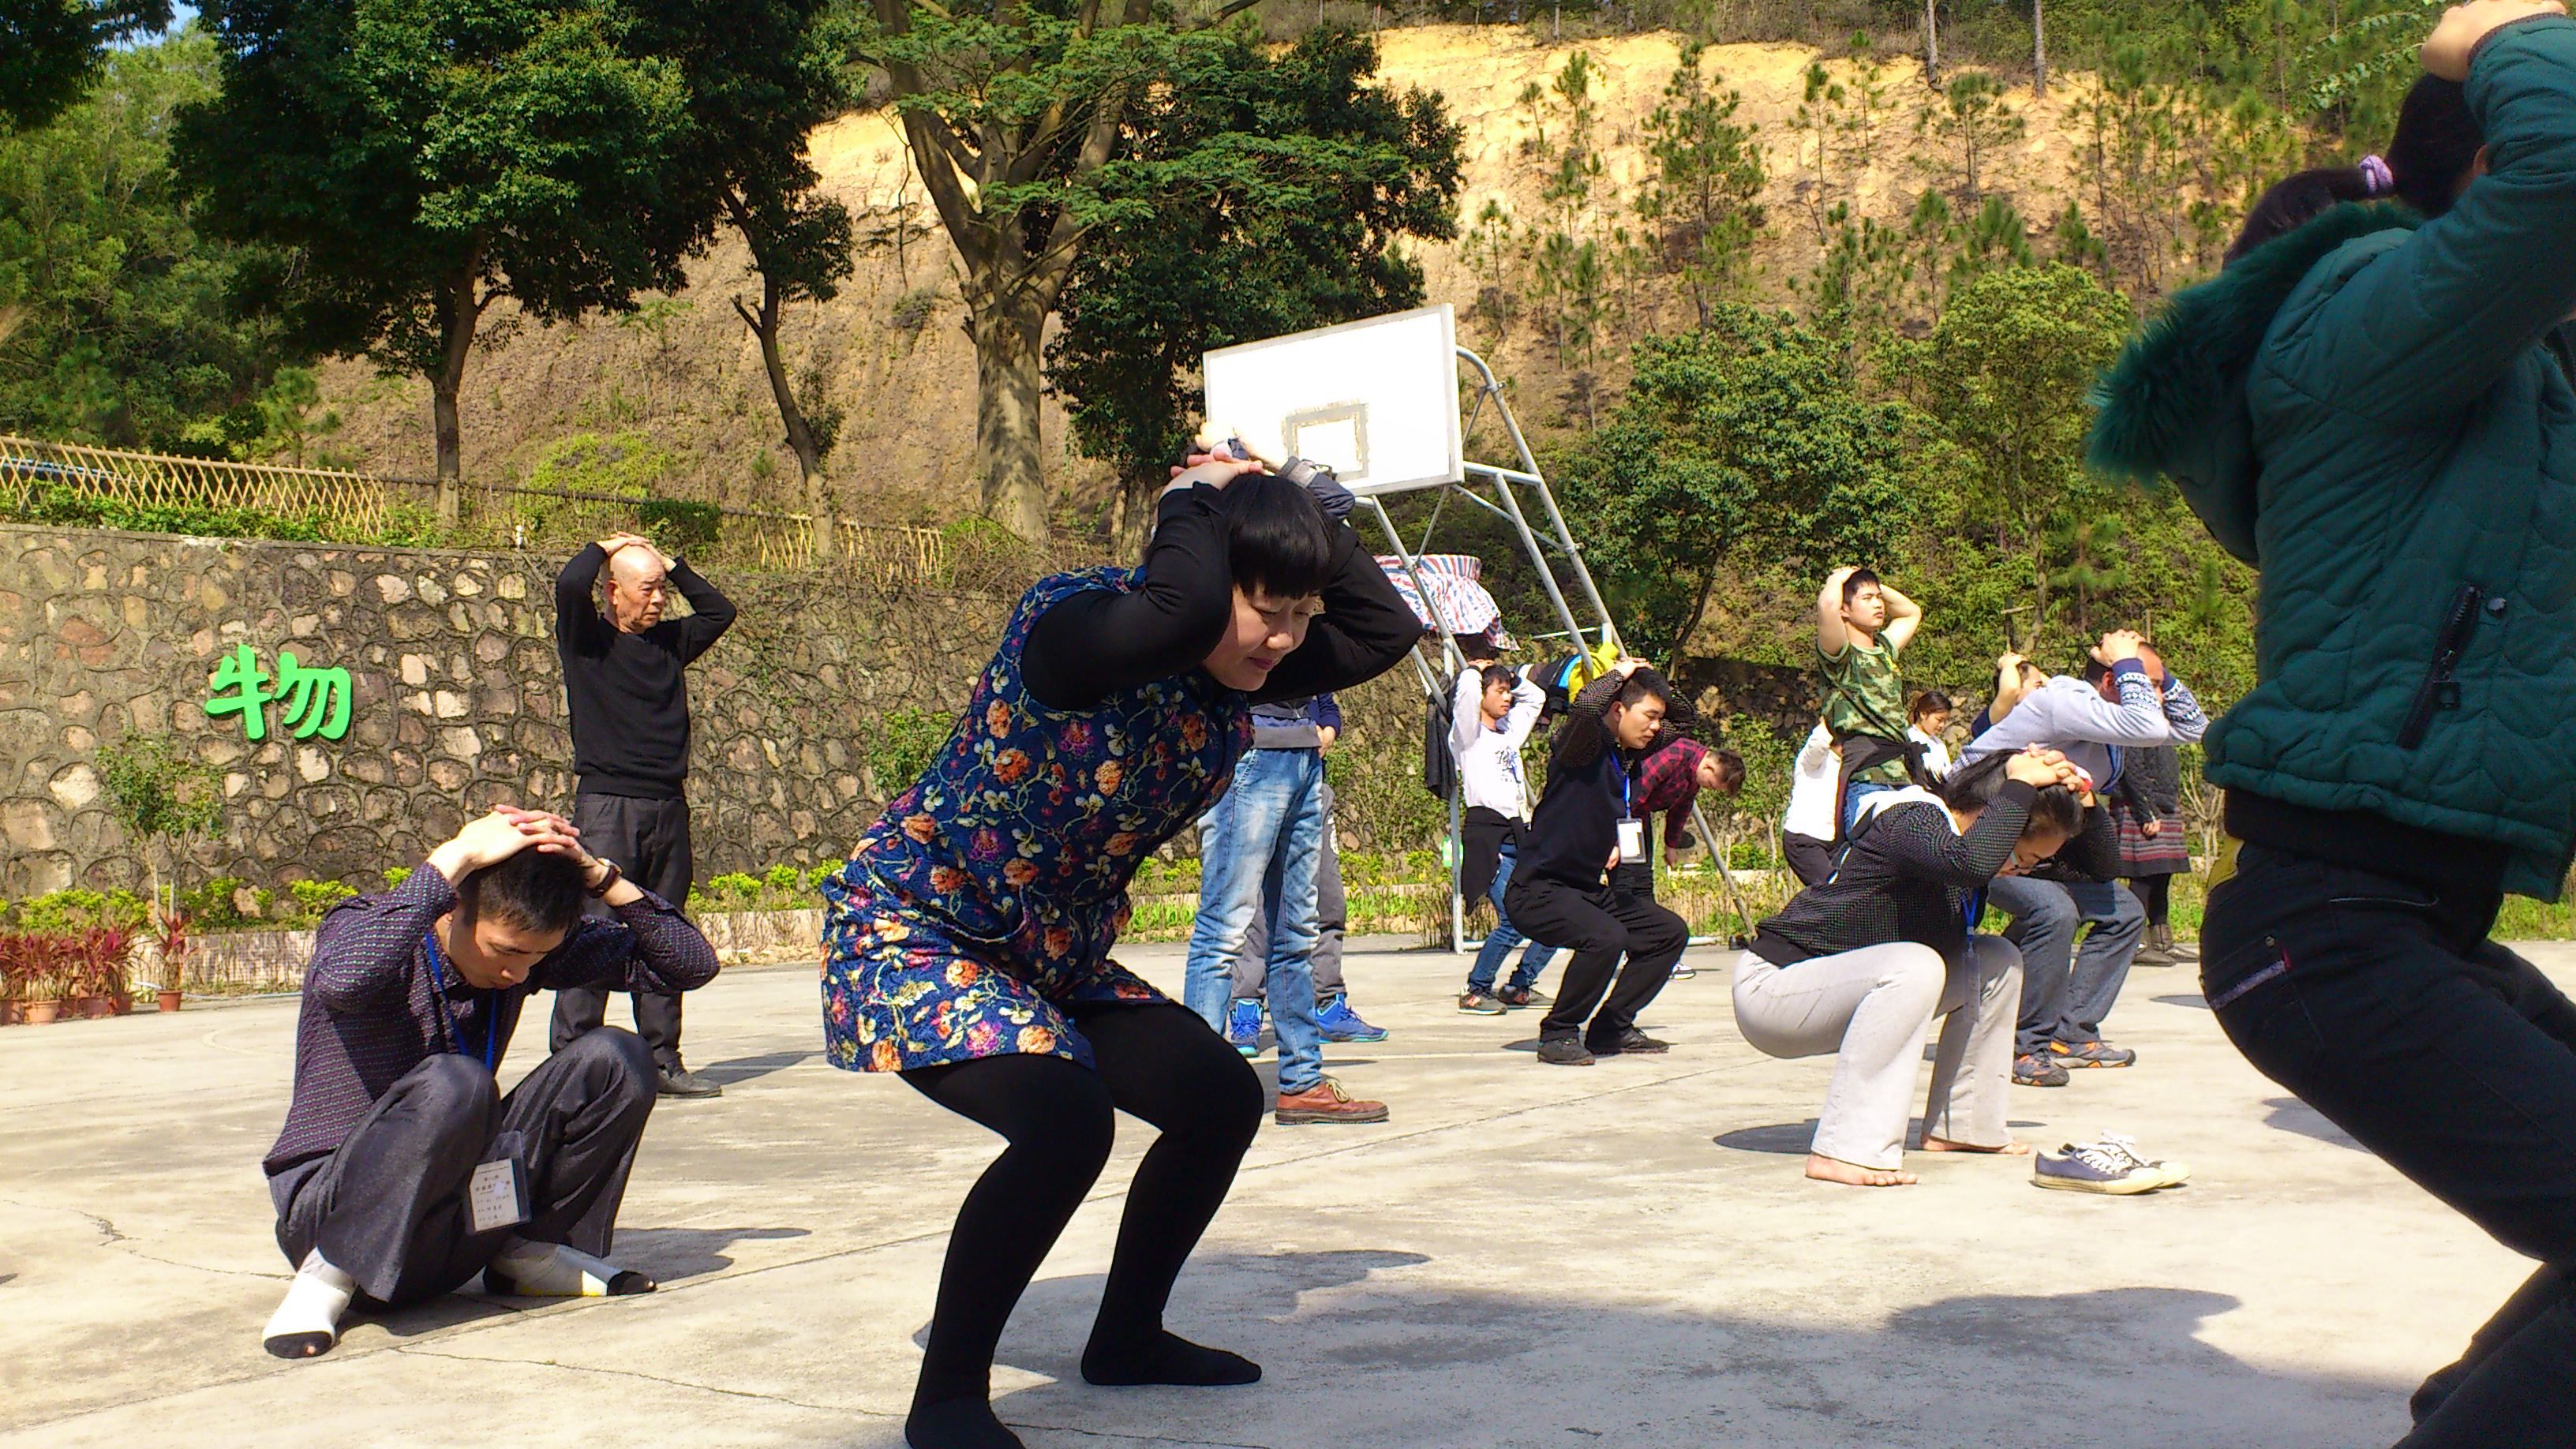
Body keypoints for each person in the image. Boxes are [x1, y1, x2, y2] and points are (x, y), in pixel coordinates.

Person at [2086, 6, 2576, 1439]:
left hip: (2405, 926)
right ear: (2481, 172)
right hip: (2331, 931)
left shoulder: (2501, 400)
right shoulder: (2360, 309)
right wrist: (2496, 29)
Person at [818, 444, 1416, 1449]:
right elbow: (1175, 610)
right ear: (1208, 577)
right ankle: (949, 1399)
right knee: (1064, 1122)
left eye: (1302, 615)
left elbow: (1385, 624)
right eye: (1271, 609)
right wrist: (1193, 493)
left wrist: (1300, 504)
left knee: (1219, 1097)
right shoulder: (1074, 628)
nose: (1287, 640)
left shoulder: (1228, 664)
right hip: (914, 932)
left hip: (1047, 956)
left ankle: (1128, 1339)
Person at [258, 807, 721, 1361]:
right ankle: (325, 1281)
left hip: (456, 1229)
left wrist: (601, 876)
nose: (519, 975)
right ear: (451, 909)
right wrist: (457, 855)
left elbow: (689, 967)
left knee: (617, 1056)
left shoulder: (526, 952)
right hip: (330, 1221)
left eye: (538, 958)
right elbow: (340, 981)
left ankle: (527, 1254)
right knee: (456, 1084)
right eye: (506, 952)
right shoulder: (366, 930)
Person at [1733, 749, 2087, 1186]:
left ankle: (1964, 1127)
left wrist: (2079, 789)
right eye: (2022, 856)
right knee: (1916, 963)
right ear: (1991, 813)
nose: (2018, 870)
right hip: (1776, 992)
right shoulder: (1914, 818)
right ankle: (1848, 1149)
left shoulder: (1952, 841)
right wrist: (2017, 786)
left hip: (1839, 990)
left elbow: (2104, 863)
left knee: (1996, 962)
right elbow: (1971, 862)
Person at [1960, 630, 2207, 1084]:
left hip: (2042, 845)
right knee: (2053, 911)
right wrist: (2130, 663)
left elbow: (2193, 728)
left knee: (2125, 912)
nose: (2156, 698)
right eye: (2148, 686)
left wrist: (2157, 670)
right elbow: (2150, 725)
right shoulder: (2065, 700)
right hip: (1983, 836)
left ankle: (2070, 1032)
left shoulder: (2110, 721)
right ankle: (2023, 1045)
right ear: (2115, 681)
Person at [549, 531, 736, 1099]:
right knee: (594, 931)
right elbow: (567, 586)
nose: (659, 600)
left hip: (667, 805)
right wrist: (601, 546)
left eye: (662, 590)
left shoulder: (669, 644)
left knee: (662, 930)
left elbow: (719, 609)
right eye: (648, 589)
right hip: (608, 806)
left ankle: (662, 1060)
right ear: (614, 592)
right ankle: (572, 1065)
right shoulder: (588, 642)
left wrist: (671, 562)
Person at [1503, 661, 1694, 1066]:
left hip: (1584, 891)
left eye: (1658, 718)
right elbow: (1588, 707)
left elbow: (1685, 720)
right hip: (1539, 890)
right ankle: (1558, 1032)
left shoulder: (1626, 758)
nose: (1657, 727)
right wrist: (1621, 675)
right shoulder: (1581, 749)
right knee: (1606, 936)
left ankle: (1611, 1027)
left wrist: (1652, 680)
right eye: (1649, 716)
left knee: (1667, 932)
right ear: (1618, 710)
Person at [1218, 697, 1390, 1048]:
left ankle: (1327, 1004)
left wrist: (1328, 732)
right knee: (1257, 908)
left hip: (1311, 787)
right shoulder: (1253, 663)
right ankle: (1247, 1006)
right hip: (1256, 785)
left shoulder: (1311, 655)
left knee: (1328, 902)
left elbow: (1329, 707)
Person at [1453, 661, 1559, 1014]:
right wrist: (1472, 671)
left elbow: (1536, 698)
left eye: (1507, 691)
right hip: (1491, 838)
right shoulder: (1468, 736)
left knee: (1552, 915)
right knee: (1513, 920)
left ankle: (1520, 985)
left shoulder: (1507, 735)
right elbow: (1466, 694)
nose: (1507, 697)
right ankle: (1476, 989)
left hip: (1520, 835)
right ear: (1481, 695)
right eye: (1499, 692)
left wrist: (1511, 676)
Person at [1814, 566, 1926, 833]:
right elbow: (1827, 604)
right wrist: (1839, 579)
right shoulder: (1841, 656)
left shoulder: (1884, 650)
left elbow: (1911, 612)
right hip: (1866, 777)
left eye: (1879, 598)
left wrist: (1871, 583)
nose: (1878, 604)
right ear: (1845, 610)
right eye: (1867, 599)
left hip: (1901, 775)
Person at [1627, 731, 1747, 979]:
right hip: (1626, 816)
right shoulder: (1675, 756)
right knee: (1631, 885)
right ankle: (1650, 953)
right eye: (1712, 784)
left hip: (1638, 820)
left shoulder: (1694, 775)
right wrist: (1616, 838)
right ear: (1710, 767)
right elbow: (1635, 794)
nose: (1709, 788)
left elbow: (1681, 809)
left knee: (1640, 885)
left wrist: (1671, 845)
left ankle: (1648, 953)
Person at [2114, 743, 2192, 966]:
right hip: (2141, 806)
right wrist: (2146, 812)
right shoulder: (2137, 723)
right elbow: (2132, 770)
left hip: (2161, 804)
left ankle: (2162, 941)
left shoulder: (2161, 723)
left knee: (2161, 874)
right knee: (2144, 876)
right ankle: (2135, 943)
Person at [1781, 723, 1840, 888]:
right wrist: (1830, 719)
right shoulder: (1812, 760)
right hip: (1804, 839)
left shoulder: (1849, 766)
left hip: (1834, 843)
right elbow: (1819, 742)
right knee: (1833, 892)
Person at [1908, 691, 1956, 781]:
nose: (1942, 725)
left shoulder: (1939, 744)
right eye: (1939, 720)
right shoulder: (1909, 738)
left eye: (1945, 721)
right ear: (1923, 714)